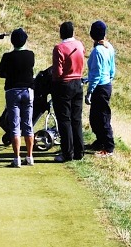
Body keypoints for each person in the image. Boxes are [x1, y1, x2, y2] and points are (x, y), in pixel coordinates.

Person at [0, 28, 35, 167]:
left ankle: (17, 159)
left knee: (15, 125)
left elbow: (1, 73)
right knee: (28, 124)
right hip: (28, 90)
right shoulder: (30, 55)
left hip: (13, 91)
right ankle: (29, 157)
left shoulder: (7, 57)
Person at [51, 21, 85, 162]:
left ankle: (67, 153)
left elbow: (58, 73)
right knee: (76, 119)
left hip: (64, 85)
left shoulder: (59, 48)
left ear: (61, 33)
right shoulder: (79, 45)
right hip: (78, 82)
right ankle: (79, 152)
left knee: (64, 120)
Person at [86, 20, 116, 156]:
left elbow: (96, 74)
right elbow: (112, 70)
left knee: (102, 118)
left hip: (100, 87)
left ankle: (109, 147)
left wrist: (89, 91)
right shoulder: (109, 47)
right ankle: (100, 141)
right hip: (106, 85)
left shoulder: (97, 51)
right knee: (95, 117)